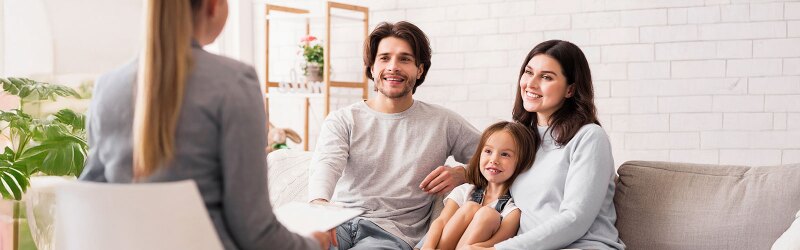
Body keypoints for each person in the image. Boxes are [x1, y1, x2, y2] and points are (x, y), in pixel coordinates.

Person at [78, 0, 330, 249]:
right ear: (212, 5)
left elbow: (91, 200)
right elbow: (255, 233)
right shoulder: (235, 82)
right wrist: (311, 244)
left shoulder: (107, 87)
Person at [307, 21, 481, 250]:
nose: (393, 67)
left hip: (390, 235)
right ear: (371, 67)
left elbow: (500, 157)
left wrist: (464, 173)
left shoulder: (444, 122)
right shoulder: (343, 119)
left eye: (405, 59)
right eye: (384, 58)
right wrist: (320, 207)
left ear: (420, 69)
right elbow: (326, 164)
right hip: (339, 222)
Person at [464, 40, 625, 250]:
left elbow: (575, 218)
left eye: (546, 77)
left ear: (570, 89)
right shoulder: (520, 140)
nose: (531, 84)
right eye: (528, 72)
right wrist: (464, 173)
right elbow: (493, 181)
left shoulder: (589, 137)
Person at [420, 121, 537, 250]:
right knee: (471, 207)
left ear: (521, 162)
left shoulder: (512, 212)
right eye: (488, 151)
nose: (494, 160)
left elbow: (497, 245)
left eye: (505, 154)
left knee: (488, 214)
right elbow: (441, 222)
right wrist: (428, 247)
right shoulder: (464, 191)